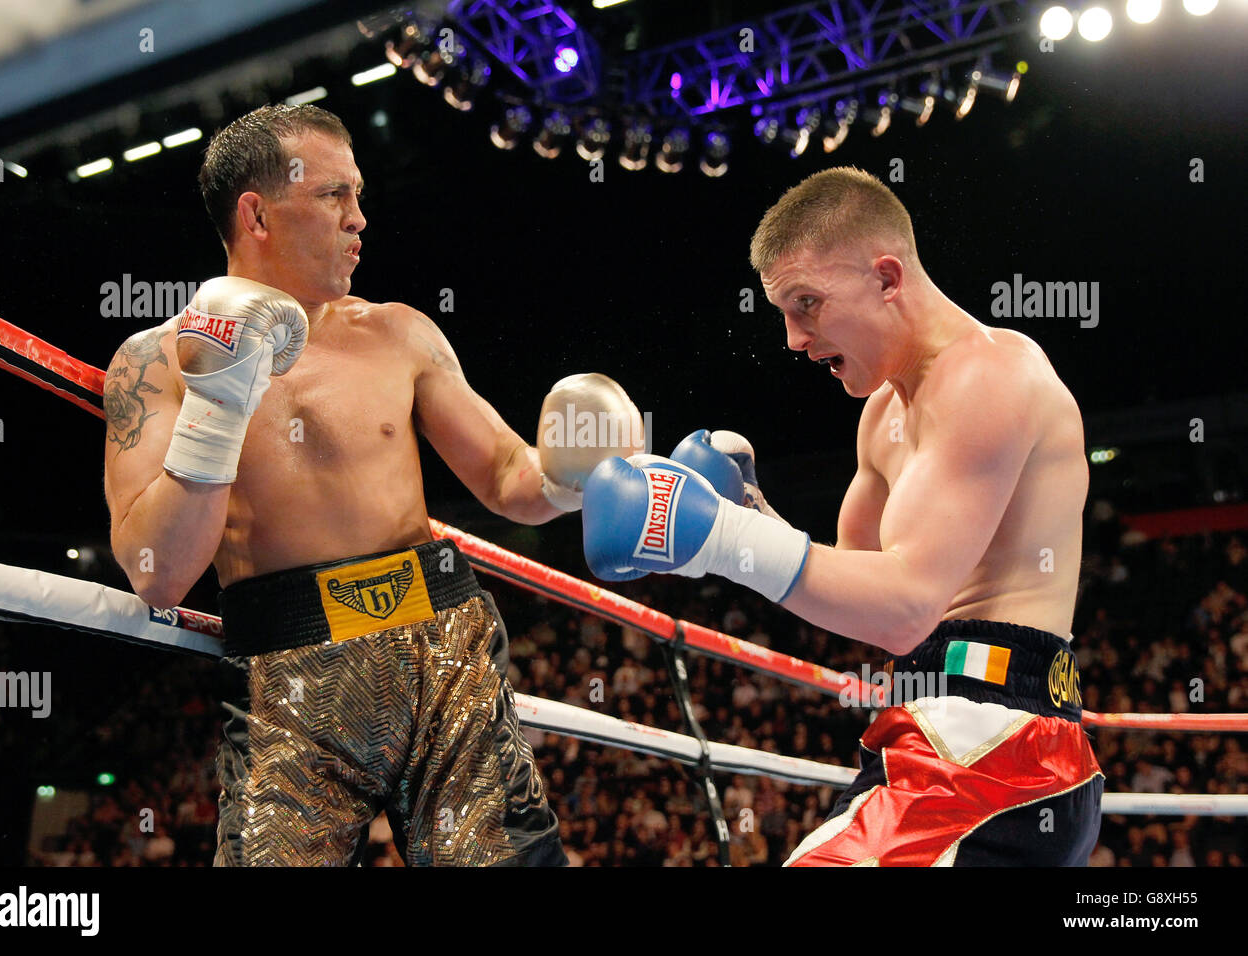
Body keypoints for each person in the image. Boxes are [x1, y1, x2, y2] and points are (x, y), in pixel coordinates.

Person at [102, 103, 642, 866]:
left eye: (358, 195)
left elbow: (507, 476)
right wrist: (219, 407)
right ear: (256, 211)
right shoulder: (155, 361)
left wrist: (571, 476)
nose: (360, 219)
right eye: (334, 196)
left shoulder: (399, 332)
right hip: (289, 667)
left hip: (442, 641)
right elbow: (157, 573)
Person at [582, 166, 1103, 866]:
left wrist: (721, 535)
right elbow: (863, 603)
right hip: (936, 738)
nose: (795, 339)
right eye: (784, 313)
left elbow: (907, 609)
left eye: (809, 304)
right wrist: (748, 513)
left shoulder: (992, 374)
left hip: (998, 747)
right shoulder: (881, 418)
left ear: (887, 278)